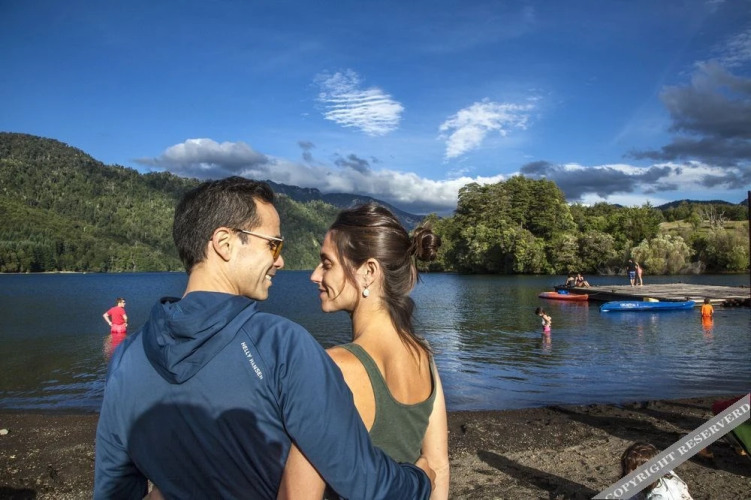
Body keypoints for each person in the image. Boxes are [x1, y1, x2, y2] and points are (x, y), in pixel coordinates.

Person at [94, 177, 433, 499]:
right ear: (225, 243)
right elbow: (361, 480)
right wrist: (420, 481)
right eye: (273, 245)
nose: (280, 261)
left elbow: (114, 487)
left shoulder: (126, 359)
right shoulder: (281, 346)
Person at [279, 203, 450, 500]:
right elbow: (438, 466)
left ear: (368, 272)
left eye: (327, 263)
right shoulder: (423, 357)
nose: (315, 275)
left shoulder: (334, 368)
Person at [620, 442, 693, 499]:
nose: (629, 473)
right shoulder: (662, 471)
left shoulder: (659, 496)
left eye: (635, 470)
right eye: (628, 467)